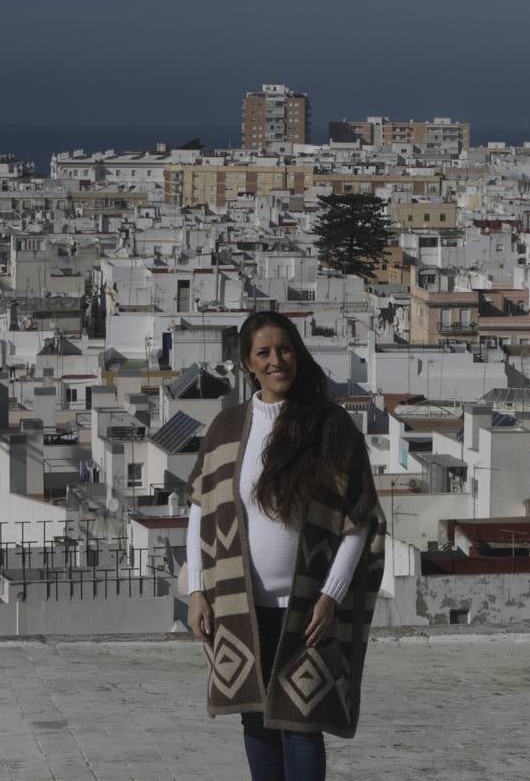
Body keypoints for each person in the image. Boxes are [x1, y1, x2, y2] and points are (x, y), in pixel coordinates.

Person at [185, 311, 386, 781]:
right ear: (247, 364)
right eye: (264, 353)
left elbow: (360, 522)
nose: (277, 361)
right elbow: (200, 510)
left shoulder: (330, 428)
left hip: (307, 609)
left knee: (302, 723)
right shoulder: (226, 429)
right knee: (254, 718)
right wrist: (197, 590)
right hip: (240, 604)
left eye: (285, 349)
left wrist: (330, 596)